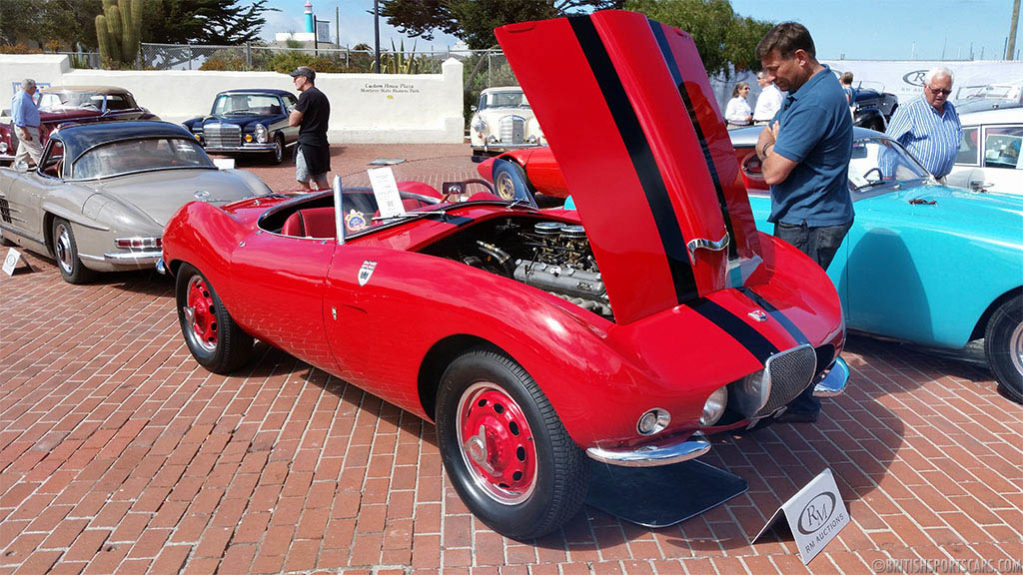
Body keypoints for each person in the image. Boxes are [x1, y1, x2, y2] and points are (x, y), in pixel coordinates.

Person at [754, 22, 854, 424]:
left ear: (800, 57)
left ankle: (798, 399)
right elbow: (767, 134)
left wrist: (768, 147)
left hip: (810, 221)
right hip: (807, 215)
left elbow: (774, 170)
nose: (770, 78)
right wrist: (769, 143)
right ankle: (796, 394)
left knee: (794, 315)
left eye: (775, 68)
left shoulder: (815, 101)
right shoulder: (803, 90)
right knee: (793, 311)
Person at [885, 67, 961, 182]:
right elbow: (888, 144)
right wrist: (887, 177)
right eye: (936, 90)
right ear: (925, 86)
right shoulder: (909, 110)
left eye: (945, 92)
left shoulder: (951, 109)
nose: (941, 95)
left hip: (939, 180)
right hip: (912, 180)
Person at [288, 66, 331, 190]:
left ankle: (308, 207)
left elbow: (292, 121)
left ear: (305, 79)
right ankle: (328, 205)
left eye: (296, 78)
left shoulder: (306, 96)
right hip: (320, 142)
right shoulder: (320, 96)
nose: (294, 81)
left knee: (303, 182)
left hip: (308, 144)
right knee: (321, 180)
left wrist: (294, 113)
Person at [11, 78, 42, 167]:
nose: (35, 89)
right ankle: (46, 173)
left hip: (29, 128)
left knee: (23, 154)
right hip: (27, 129)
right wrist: (25, 132)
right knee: (37, 153)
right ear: (30, 88)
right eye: (35, 87)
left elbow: (29, 114)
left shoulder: (26, 97)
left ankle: (18, 170)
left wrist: (40, 124)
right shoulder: (21, 98)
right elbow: (18, 117)